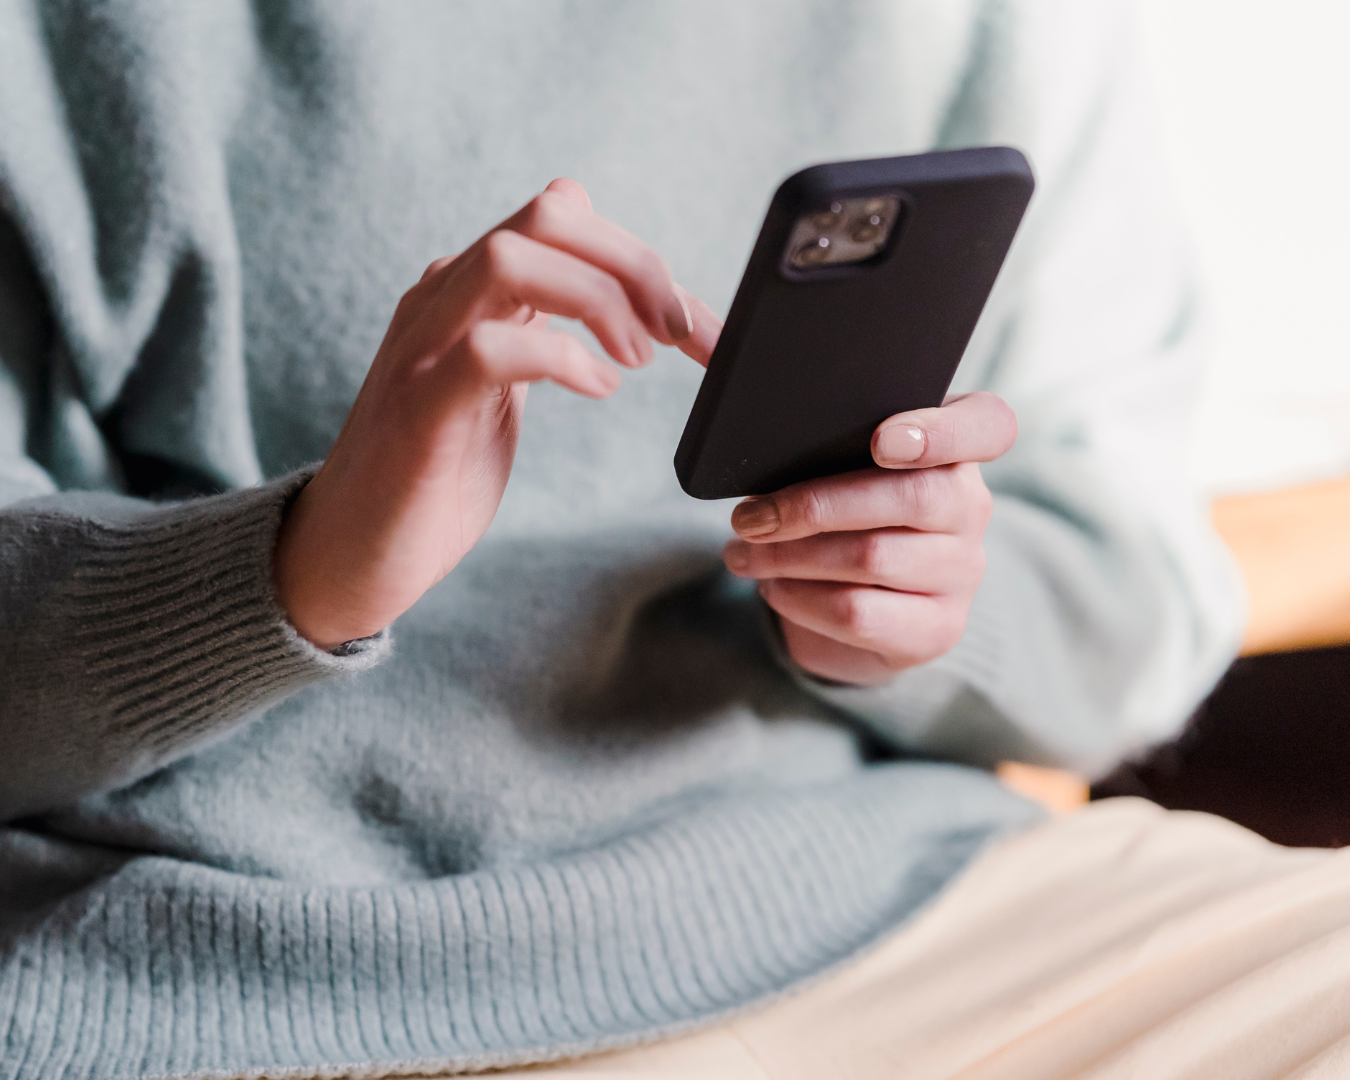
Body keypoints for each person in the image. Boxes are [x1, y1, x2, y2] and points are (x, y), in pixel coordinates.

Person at [12, 2, 1339, 1078]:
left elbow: (1139, 599)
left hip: (908, 904)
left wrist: (930, 608)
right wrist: (297, 568)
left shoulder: (993, 26)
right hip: (234, 971)